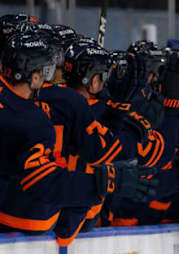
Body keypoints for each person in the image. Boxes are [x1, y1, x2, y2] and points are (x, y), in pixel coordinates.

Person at [0, 32, 156, 234]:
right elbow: (41, 182)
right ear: (35, 76)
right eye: (47, 71)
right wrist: (101, 182)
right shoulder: (35, 118)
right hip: (17, 229)